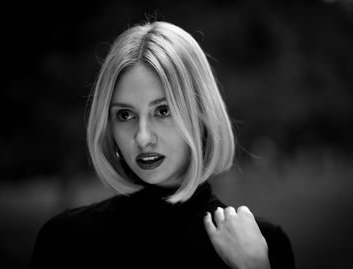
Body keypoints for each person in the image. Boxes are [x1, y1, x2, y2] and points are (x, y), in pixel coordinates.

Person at [30, 21, 295, 269]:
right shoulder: (64, 240)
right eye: (125, 115)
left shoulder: (263, 247)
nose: (142, 137)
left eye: (163, 111)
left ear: (201, 114)